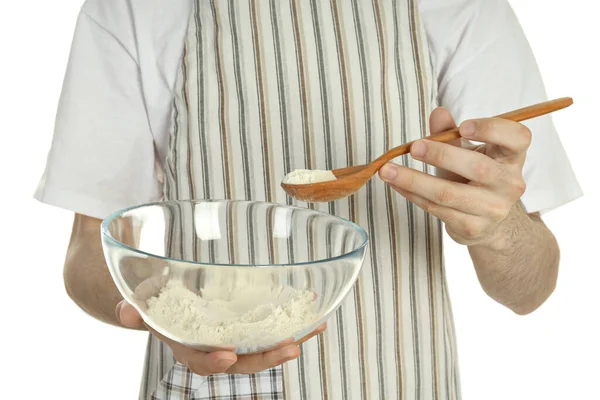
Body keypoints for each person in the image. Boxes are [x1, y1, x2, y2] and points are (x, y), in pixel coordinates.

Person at [35, 0, 582, 398]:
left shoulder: (462, 10)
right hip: (199, 385)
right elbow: (90, 249)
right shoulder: (133, 10)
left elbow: (532, 287)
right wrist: (162, 317)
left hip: (401, 380)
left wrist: (496, 228)